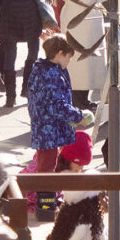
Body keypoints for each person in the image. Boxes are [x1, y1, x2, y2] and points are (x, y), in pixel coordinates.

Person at [51, 0, 106, 109]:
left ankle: (80, 99)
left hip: (74, 17)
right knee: (84, 63)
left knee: (76, 63)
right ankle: (79, 101)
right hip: (84, 20)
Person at [27, 35, 85, 173]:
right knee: (47, 171)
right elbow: (57, 105)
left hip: (43, 129)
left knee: (47, 167)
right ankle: (46, 195)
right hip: (49, 132)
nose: (69, 61)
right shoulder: (52, 74)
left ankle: (48, 194)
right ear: (60, 54)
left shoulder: (40, 70)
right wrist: (78, 116)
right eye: (68, 57)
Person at [49, 131, 105, 240]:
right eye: (78, 162)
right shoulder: (86, 204)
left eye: (83, 164)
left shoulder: (74, 205)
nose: (81, 167)